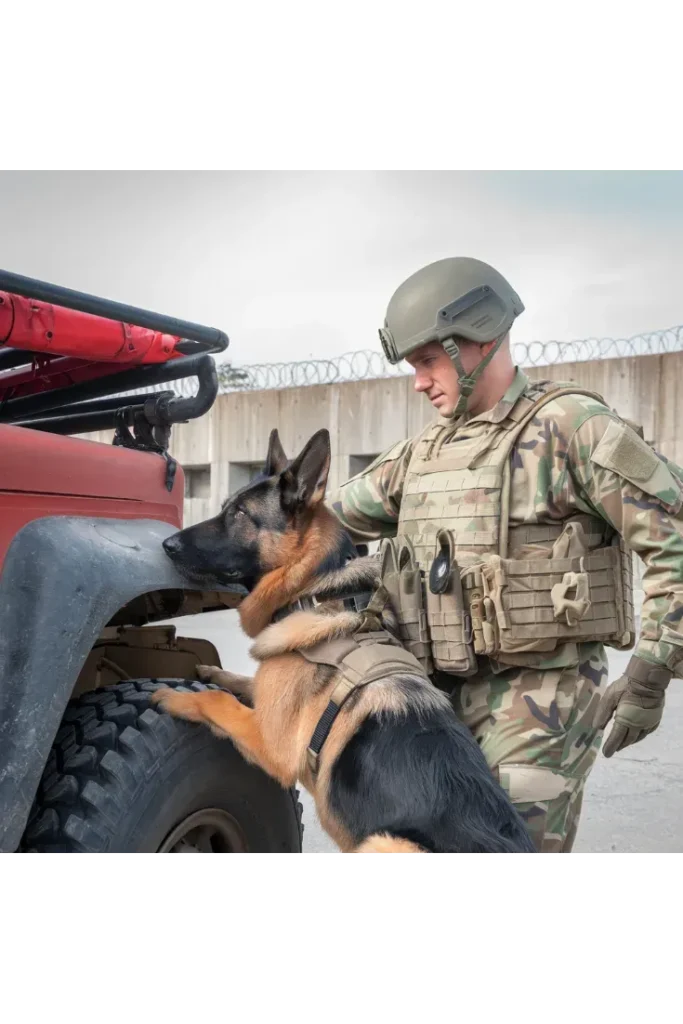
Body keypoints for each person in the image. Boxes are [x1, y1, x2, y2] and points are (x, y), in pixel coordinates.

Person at [326, 256, 683, 855]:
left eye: (427, 360)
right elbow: (325, 520)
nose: (418, 381)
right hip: (434, 698)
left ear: (479, 339)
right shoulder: (422, 455)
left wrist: (650, 673)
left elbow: (673, 538)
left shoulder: (572, 429)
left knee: (505, 845)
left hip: (543, 696)